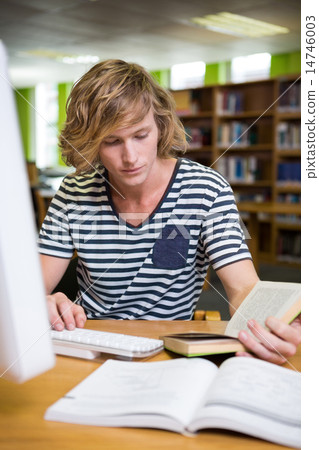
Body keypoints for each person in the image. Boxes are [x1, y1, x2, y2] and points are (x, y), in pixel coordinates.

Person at [39, 59, 300, 365]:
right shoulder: (74, 192)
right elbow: (32, 288)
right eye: (112, 142)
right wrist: (41, 302)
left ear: (160, 125)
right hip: (92, 345)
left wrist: (267, 326)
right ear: (92, 143)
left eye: (141, 135)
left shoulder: (207, 189)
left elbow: (243, 286)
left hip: (171, 350)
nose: (130, 157)